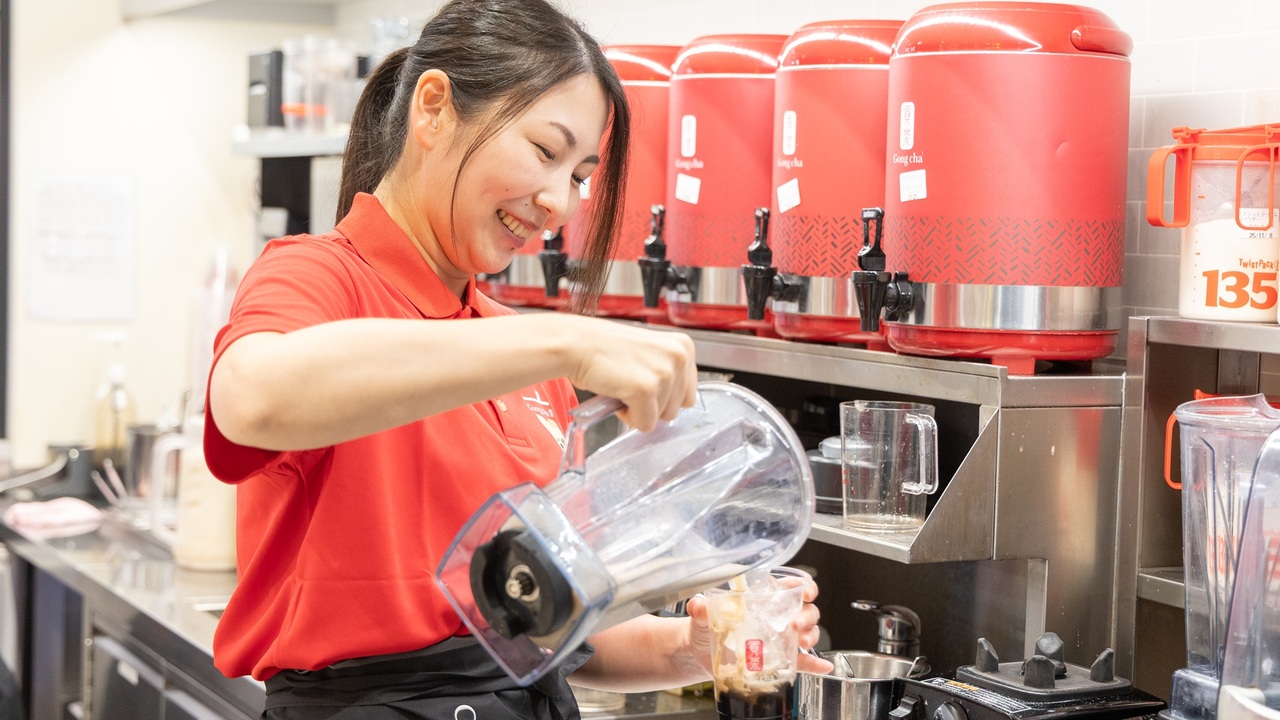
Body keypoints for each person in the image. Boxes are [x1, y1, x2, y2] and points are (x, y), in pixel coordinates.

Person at [203, 0, 832, 717]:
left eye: (579, 174)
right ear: (434, 108)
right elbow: (254, 397)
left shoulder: (519, 352)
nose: (560, 202)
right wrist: (565, 339)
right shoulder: (318, 277)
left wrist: (692, 646)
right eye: (545, 152)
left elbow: (548, 623)